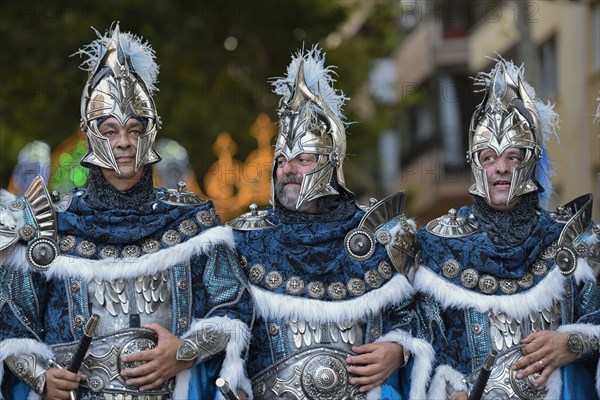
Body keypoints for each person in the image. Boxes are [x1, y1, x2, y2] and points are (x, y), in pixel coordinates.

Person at [0, 24, 253, 400]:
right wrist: (41, 378)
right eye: (110, 130)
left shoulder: (192, 222)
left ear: (148, 134)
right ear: (91, 134)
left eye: (134, 129)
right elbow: (10, 323)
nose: (122, 142)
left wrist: (182, 353)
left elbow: (233, 309)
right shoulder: (45, 223)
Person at [228, 47, 432, 400]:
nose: (288, 170)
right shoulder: (244, 241)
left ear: (330, 162)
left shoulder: (385, 234)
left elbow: (429, 316)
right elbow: (226, 333)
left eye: (303, 159)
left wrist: (399, 350)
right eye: (282, 160)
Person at [413, 59, 599, 399]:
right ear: (474, 163)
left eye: (512, 157)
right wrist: (448, 388)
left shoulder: (574, 241)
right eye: (488, 157)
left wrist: (570, 343)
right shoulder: (436, 246)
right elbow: (422, 342)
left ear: (531, 160)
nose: (500, 168)